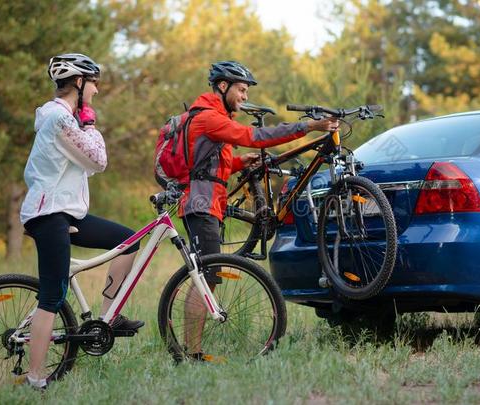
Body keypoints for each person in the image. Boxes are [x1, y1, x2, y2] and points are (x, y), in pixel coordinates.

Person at [179, 60, 338, 357]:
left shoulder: (212, 116)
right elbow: (254, 136)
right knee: (206, 277)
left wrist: (240, 162)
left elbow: (213, 166)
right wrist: (310, 126)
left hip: (208, 200)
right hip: (200, 204)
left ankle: (191, 351)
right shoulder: (208, 118)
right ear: (223, 86)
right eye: (241, 90)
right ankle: (192, 353)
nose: (244, 97)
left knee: (207, 277)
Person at [20, 53, 143, 388]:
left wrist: (85, 124)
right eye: (94, 84)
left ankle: (107, 318)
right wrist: (90, 124)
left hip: (67, 211)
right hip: (48, 215)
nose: (97, 91)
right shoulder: (59, 120)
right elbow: (98, 160)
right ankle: (35, 378)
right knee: (52, 297)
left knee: (130, 240)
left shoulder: (65, 120)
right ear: (79, 82)